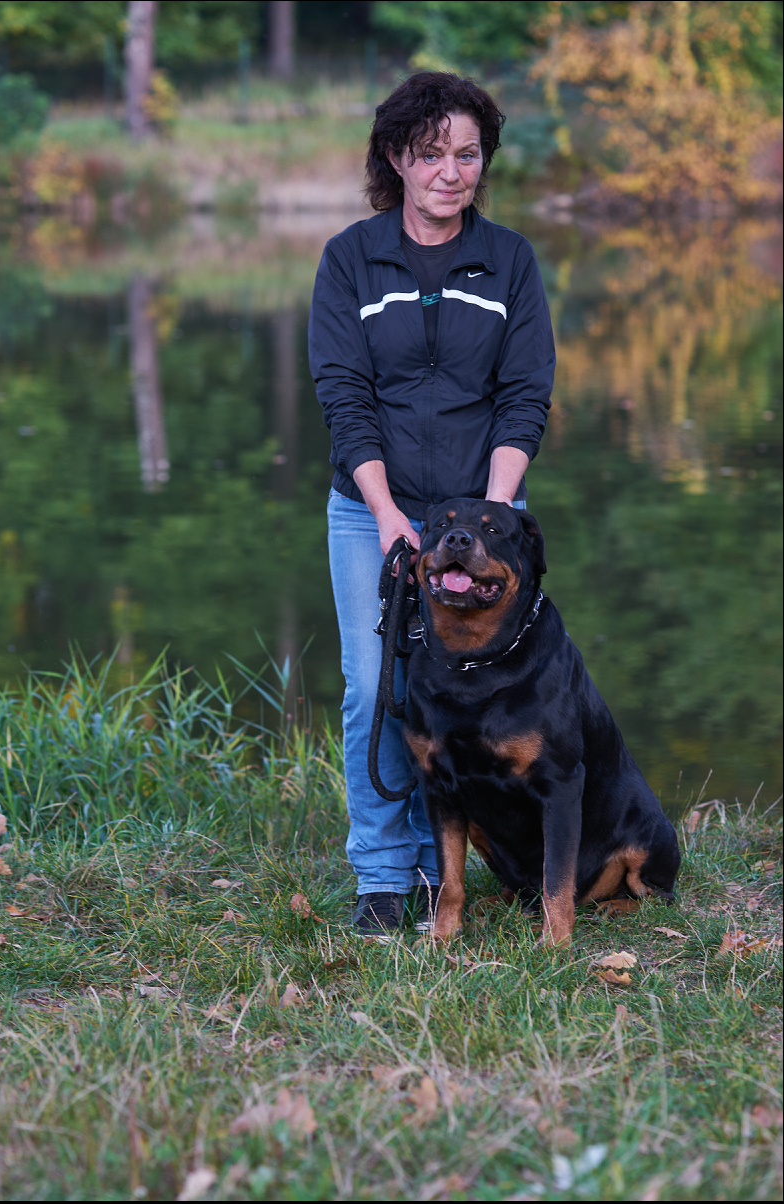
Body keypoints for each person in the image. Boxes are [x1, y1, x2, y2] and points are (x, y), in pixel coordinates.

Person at [308, 72, 555, 937]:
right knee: (375, 685)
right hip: (370, 508)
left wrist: (487, 520)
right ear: (395, 158)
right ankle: (386, 875)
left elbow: (524, 396)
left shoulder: (510, 260)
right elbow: (344, 397)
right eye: (431, 154)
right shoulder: (350, 258)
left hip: (482, 514)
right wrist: (389, 517)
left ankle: (455, 861)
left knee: (466, 686)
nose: (452, 172)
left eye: (468, 155)